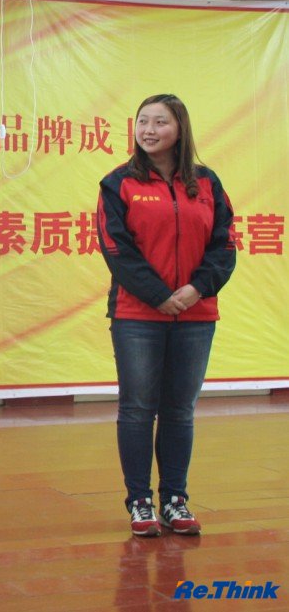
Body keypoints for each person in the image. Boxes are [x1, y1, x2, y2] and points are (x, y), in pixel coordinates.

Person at [97, 93, 235, 538]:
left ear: (180, 128)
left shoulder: (208, 182)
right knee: (138, 408)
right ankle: (140, 502)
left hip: (196, 313)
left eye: (160, 122)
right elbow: (116, 248)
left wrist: (195, 289)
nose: (149, 130)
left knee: (179, 410)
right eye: (143, 121)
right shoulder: (118, 183)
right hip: (137, 315)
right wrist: (159, 296)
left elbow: (225, 245)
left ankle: (175, 499)